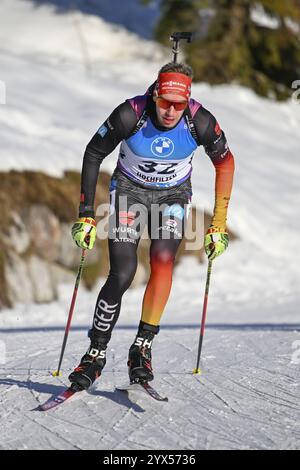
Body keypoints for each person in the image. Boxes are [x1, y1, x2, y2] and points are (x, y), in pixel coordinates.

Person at [69, 62, 235, 390]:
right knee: (123, 272)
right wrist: (86, 213)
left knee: (161, 261)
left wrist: (218, 223)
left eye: (179, 105)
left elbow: (225, 163)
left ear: (187, 101)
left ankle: (142, 347)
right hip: (129, 192)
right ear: (155, 95)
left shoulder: (200, 121)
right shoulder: (130, 113)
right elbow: (93, 152)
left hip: (172, 196)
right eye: (165, 103)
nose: (171, 111)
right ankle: (95, 353)